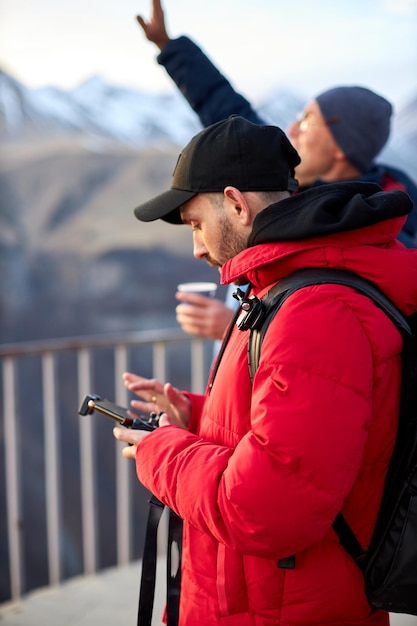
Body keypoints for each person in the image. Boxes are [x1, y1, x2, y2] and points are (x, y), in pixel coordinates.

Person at [113, 115, 417, 625]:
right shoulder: (282, 288)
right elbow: (294, 430)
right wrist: (197, 414)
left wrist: (159, 452)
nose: (197, 248)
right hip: (263, 598)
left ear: (236, 203)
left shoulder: (316, 310)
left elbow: (265, 508)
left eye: (195, 223)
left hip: (283, 608)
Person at [136, 0, 417, 342]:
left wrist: (236, 324)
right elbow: (227, 110)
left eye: (310, 119)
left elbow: (336, 333)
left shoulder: (376, 231)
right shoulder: (285, 184)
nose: (294, 127)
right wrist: (171, 47)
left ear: (343, 146)